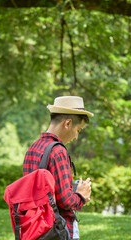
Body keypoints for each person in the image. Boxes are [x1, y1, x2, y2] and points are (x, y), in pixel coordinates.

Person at [23, 96, 94, 240]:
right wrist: (82, 195)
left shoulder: (33, 148)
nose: (76, 137)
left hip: (34, 228)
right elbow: (65, 201)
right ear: (67, 123)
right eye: (78, 130)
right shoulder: (58, 151)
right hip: (58, 231)